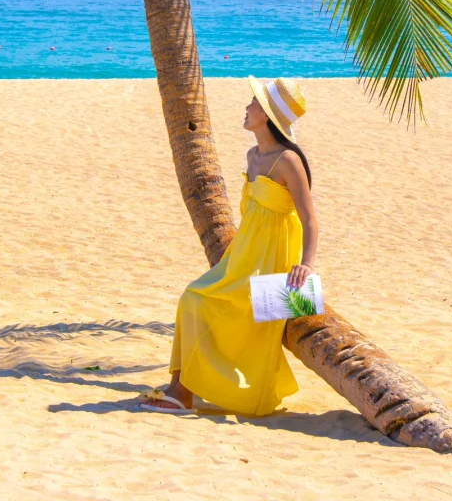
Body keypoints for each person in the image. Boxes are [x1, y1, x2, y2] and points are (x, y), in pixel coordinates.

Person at [137, 76, 319, 416]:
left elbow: (309, 219)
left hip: (271, 260)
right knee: (192, 298)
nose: (247, 107)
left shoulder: (289, 161)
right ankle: (180, 389)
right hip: (243, 255)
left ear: (265, 114)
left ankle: (182, 394)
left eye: (252, 103)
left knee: (200, 303)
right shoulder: (253, 156)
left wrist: (306, 265)